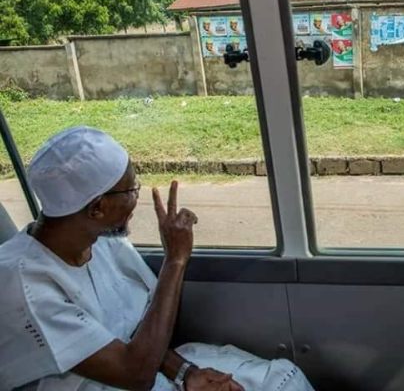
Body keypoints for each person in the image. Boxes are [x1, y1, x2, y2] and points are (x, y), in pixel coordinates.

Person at [0, 127, 315, 391]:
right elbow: (133, 372)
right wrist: (175, 260)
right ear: (96, 207)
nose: (137, 197)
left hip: (149, 367)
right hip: (117, 381)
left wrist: (186, 373)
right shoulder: (25, 285)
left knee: (284, 381)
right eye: (131, 189)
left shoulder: (97, 239)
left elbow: (133, 333)